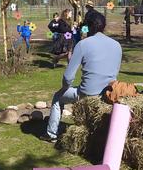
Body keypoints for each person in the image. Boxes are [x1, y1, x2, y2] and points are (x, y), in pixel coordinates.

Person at [46, 12, 122, 140]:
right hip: (110, 93)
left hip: (87, 93)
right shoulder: (117, 45)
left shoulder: (83, 44)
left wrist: (64, 88)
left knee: (57, 97)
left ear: (89, 26)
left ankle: (51, 134)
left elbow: (68, 77)